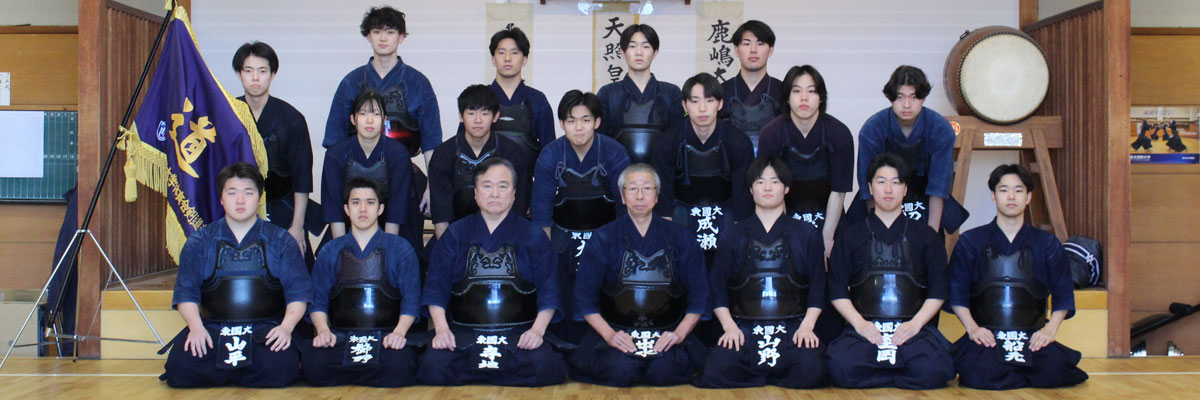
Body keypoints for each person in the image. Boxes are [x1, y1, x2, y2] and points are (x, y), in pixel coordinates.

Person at [160, 162, 312, 388]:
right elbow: (186, 294)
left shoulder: (281, 240)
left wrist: (286, 328)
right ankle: (238, 373)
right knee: (180, 369)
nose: (240, 200)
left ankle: (228, 374)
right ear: (221, 199)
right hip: (214, 329)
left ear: (259, 197)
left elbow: (298, 294)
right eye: (232, 193)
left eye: (248, 193)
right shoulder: (199, 241)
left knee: (281, 368)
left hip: (264, 330)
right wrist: (196, 327)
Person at [418, 158, 567, 387]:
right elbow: (436, 287)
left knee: (545, 365)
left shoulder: (533, 236)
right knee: (433, 366)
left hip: (517, 334)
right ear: (476, 193)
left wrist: (537, 332)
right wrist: (442, 330)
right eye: (487, 186)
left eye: (502, 186)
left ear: (514, 193)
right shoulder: (455, 234)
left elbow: (549, 290)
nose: (495, 194)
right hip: (466, 334)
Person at [948, 164, 1089, 390]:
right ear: (994, 196)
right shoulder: (971, 241)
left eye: (1019, 190)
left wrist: (1049, 331)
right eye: (1004, 190)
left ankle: (1018, 372)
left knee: (1053, 371)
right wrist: (973, 329)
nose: (1011, 196)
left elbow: (1063, 293)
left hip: (1031, 335)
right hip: (988, 334)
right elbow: (957, 292)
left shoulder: (1047, 243)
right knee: (980, 373)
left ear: (1028, 197)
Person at [693, 156, 828, 389]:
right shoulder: (732, 234)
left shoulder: (807, 234)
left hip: (792, 326)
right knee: (716, 369)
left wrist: (807, 326)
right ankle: (771, 376)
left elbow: (818, 287)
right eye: (759, 181)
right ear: (750, 189)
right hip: (744, 327)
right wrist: (729, 327)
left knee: (812, 369)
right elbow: (717, 288)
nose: (767, 187)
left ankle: (765, 375)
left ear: (786, 188)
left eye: (774, 181)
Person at [569, 164, 709, 387]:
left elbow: (699, 295)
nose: (640, 196)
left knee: (663, 372)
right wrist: (610, 335)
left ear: (657, 195)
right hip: (618, 331)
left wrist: (678, 334)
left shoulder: (680, 237)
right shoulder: (603, 238)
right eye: (633, 188)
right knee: (621, 371)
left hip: (666, 331)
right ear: (622, 196)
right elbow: (584, 298)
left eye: (647, 188)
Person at [825, 153, 955, 390]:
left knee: (937, 367)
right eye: (881, 182)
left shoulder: (926, 237)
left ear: (905, 189)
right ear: (869, 188)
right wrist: (860, 324)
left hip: (911, 328)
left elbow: (938, 290)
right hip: (866, 328)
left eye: (895, 182)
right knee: (840, 366)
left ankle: (881, 374)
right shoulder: (850, 235)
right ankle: (898, 375)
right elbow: (837, 289)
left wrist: (914, 325)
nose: (888, 189)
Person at [323, 6, 438, 235]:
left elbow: (431, 142)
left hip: (404, 177)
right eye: (377, 31)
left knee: (406, 248)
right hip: (355, 181)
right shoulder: (351, 82)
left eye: (390, 32)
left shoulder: (418, 83)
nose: (383, 38)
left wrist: (432, 187)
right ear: (368, 36)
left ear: (401, 37)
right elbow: (335, 143)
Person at [301, 178, 421, 387]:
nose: (363, 209)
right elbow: (318, 301)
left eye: (370, 202)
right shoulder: (330, 250)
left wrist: (399, 333)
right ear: (346, 209)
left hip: (385, 337)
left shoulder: (401, 249)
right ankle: (366, 374)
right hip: (342, 337)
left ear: (380, 209)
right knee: (314, 365)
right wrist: (323, 331)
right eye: (356, 203)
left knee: (400, 366)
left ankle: (353, 374)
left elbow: (411, 300)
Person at [533, 90, 631, 344]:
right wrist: (545, 255)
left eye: (585, 120)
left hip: (605, 235)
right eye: (571, 120)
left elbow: (625, 205)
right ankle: (562, 342)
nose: (578, 127)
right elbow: (542, 211)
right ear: (562, 123)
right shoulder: (550, 154)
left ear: (597, 122)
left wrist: (620, 245)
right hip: (563, 235)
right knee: (559, 285)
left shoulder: (614, 152)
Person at [850, 65, 968, 234]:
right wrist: (877, 230)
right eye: (900, 97)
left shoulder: (940, 128)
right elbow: (868, 185)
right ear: (891, 98)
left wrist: (931, 235)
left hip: (925, 193)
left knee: (928, 240)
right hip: (884, 192)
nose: (906, 105)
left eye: (913, 97)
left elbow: (939, 186)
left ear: (923, 98)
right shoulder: (873, 128)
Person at [651, 72, 754, 263]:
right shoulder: (666, 142)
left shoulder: (738, 142)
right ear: (685, 105)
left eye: (709, 100)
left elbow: (743, 196)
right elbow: (663, 197)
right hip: (682, 213)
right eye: (695, 101)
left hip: (725, 213)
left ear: (720, 104)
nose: (702, 108)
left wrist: (740, 239)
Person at [757, 65, 854, 259]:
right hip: (786, 216)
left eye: (811, 91)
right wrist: (784, 233)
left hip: (829, 217)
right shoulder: (771, 134)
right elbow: (772, 189)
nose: (804, 98)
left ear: (821, 97)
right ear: (787, 97)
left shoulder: (839, 133)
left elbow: (838, 191)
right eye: (796, 91)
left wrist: (827, 237)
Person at [232, 41, 315, 264]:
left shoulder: (292, 119)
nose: (255, 78)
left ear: (273, 74)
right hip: (238, 207)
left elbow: (302, 178)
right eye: (248, 71)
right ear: (239, 74)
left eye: (262, 71)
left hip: (282, 206)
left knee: (296, 266)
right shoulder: (227, 116)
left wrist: (297, 225)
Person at [429, 85, 533, 238]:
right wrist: (447, 249)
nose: (478, 120)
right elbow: (441, 217)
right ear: (461, 116)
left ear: (495, 116)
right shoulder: (443, 154)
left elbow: (518, 209)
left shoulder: (512, 153)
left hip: (503, 235)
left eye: (485, 113)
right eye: (471, 113)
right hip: (456, 235)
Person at [321, 90, 419, 251]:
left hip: (391, 228)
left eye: (376, 114)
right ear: (353, 119)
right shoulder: (335, 154)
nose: (369, 120)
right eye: (363, 113)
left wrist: (387, 253)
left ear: (384, 120)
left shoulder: (398, 153)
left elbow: (398, 206)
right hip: (348, 226)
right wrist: (342, 251)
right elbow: (334, 208)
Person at [596, 24, 685, 164]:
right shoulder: (607, 94)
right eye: (632, 46)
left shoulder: (671, 93)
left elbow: (678, 141)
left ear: (655, 52)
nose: (639, 52)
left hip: (660, 172)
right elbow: (599, 142)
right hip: (618, 172)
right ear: (622, 52)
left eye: (646, 46)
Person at [485, 27, 556, 157]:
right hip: (486, 170)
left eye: (514, 53)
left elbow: (549, 151)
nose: (507, 58)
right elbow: (463, 144)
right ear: (493, 59)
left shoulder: (537, 100)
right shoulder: (480, 97)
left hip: (527, 170)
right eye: (501, 52)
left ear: (524, 60)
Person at [721, 20, 784, 153]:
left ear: (771, 50)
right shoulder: (721, 92)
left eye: (760, 44)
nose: (753, 50)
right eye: (746, 44)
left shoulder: (783, 91)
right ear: (736, 50)